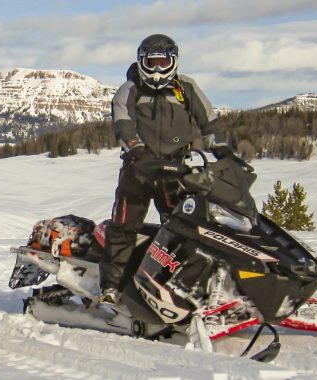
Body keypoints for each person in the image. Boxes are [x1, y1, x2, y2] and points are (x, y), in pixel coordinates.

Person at [100, 34, 230, 304]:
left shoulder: (185, 88)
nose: (157, 69)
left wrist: (221, 148)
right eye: (152, 62)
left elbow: (209, 122)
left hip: (176, 170)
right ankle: (112, 287)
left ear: (173, 61)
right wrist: (136, 149)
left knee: (182, 228)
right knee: (124, 226)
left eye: (162, 62)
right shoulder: (131, 88)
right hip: (139, 168)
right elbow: (123, 122)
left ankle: (177, 286)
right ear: (142, 61)